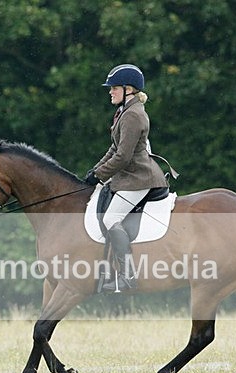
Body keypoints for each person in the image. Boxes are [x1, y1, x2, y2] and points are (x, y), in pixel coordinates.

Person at [85, 64, 167, 291]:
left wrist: (100, 175)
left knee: (111, 219)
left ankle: (127, 276)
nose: (110, 92)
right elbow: (113, 149)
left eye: (114, 88)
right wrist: (95, 171)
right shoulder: (125, 112)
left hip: (139, 178)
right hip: (130, 175)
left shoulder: (133, 114)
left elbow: (122, 156)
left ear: (128, 89)